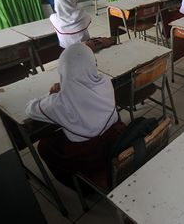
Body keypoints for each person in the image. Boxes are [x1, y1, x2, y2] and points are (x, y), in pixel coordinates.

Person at [26, 43, 125, 189]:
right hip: (115, 143)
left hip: (89, 157)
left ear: (63, 70)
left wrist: (51, 94)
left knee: (44, 146)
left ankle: (82, 188)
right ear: (93, 64)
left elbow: (30, 109)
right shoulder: (105, 82)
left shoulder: (59, 102)